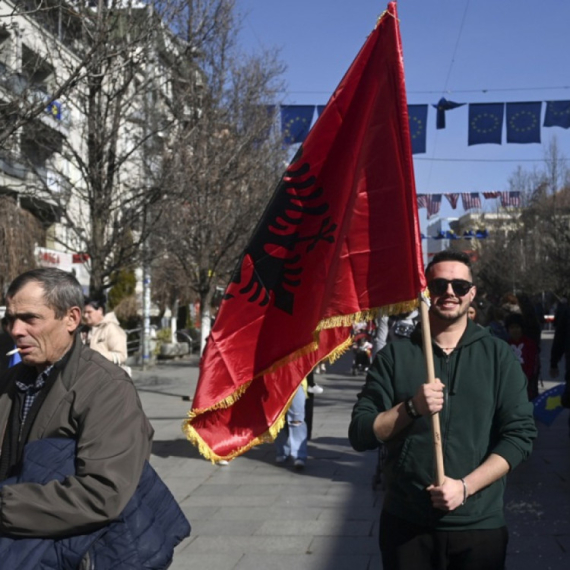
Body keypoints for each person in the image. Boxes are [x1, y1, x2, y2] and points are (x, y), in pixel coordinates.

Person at [349, 250, 536, 570]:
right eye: (439, 285)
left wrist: (465, 488)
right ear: (426, 292)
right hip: (407, 526)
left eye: (460, 286)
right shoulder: (396, 356)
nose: (450, 292)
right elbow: (361, 433)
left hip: (479, 527)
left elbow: (520, 436)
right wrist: (410, 408)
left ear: (472, 294)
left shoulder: (498, 355)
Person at [0, 268, 174, 566]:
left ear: (71, 318)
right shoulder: (10, 380)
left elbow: (102, 492)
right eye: (10, 320)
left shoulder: (107, 387)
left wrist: (5, 506)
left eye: (30, 318)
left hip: (65, 553)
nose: (16, 330)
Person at [83, 297, 128, 367]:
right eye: (84, 312)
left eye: (89, 312)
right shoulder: (83, 330)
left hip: (109, 375)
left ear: (100, 310)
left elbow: (121, 356)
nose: (85, 316)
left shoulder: (112, 329)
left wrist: (95, 355)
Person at [505, 312, 539, 400]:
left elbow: (532, 363)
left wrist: (525, 379)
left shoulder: (529, 344)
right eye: (512, 328)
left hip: (527, 381)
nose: (515, 330)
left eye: (517, 327)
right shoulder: (505, 345)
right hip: (510, 383)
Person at [275, 381, 308, 469]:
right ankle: (282, 451)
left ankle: (299, 455)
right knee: (278, 419)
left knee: (297, 419)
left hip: (296, 380)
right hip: (274, 381)